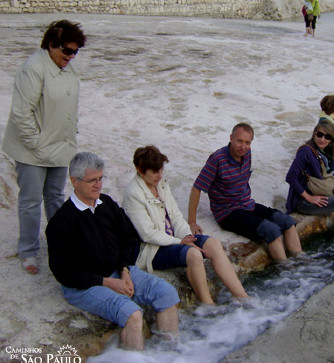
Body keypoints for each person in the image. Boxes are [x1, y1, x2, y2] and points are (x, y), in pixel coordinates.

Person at [46, 152, 179, 351]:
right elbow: (63, 273)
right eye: (92, 180)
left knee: (167, 293)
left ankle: (170, 353)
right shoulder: (61, 223)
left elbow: (127, 237)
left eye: (100, 179)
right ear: (74, 181)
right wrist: (107, 282)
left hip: (118, 270)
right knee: (132, 314)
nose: (98, 185)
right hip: (83, 285)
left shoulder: (106, 203)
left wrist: (124, 270)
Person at [1, 20, 86, 275]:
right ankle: (28, 250)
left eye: (75, 52)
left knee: (55, 196)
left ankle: (59, 241)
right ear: (51, 44)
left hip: (60, 146)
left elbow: (70, 106)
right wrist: (35, 145)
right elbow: (21, 113)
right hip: (33, 149)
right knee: (30, 200)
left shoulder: (66, 68)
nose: (70, 56)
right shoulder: (34, 68)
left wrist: (71, 133)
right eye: (67, 50)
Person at [122, 145, 248, 305]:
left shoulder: (160, 184)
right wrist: (180, 242)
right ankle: (208, 305)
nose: (160, 175)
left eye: (161, 170)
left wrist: (187, 236)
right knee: (193, 255)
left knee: (214, 244)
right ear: (140, 170)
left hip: (176, 239)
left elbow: (175, 215)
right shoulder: (133, 193)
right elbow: (147, 233)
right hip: (153, 249)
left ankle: (242, 297)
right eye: (155, 172)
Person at [188, 123, 303, 261]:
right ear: (231, 138)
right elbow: (197, 187)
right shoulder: (217, 159)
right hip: (228, 213)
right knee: (271, 230)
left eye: (247, 142)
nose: (243, 146)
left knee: (286, 221)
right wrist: (192, 222)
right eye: (239, 141)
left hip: (247, 204)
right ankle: (287, 270)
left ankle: (300, 261)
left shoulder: (247, 153)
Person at [286, 120, 334, 229]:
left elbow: (320, 177)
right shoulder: (306, 151)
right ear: (314, 134)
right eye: (319, 134)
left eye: (327, 137)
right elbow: (290, 177)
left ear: (331, 140)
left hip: (320, 190)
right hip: (303, 201)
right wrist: (310, 198)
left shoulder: (325, 153)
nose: (322, 139)